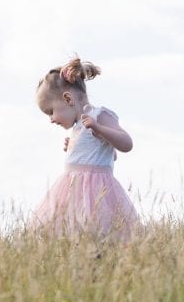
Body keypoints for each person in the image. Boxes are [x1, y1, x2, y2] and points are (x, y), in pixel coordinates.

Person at [31, 57, 140, 239]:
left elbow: (126, 143)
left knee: (99, 234)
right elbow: (107, 154)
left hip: (98, 190)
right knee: (70, 234)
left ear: (67, 98)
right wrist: (74, 147)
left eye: (51, 111)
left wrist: (100, 129)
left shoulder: (99, 116)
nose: (51, 119)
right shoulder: (78, 127)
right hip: (73, 191)